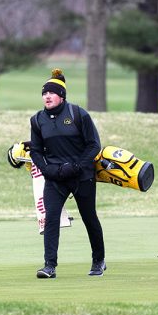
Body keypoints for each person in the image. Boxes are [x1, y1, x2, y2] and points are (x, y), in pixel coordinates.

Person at [30, 68, 105, 278]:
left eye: (51, 93)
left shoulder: (78, 114)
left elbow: (93, 145)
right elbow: (35, 150)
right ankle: (49, 266)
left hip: (82, 176)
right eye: (44, 93)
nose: (47, 96)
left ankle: (98, 260)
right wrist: (46, 169)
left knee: (89, 218)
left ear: (61, 96)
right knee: (51, 219)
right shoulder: (37, 120)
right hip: (55, 178)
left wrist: (77, 166)